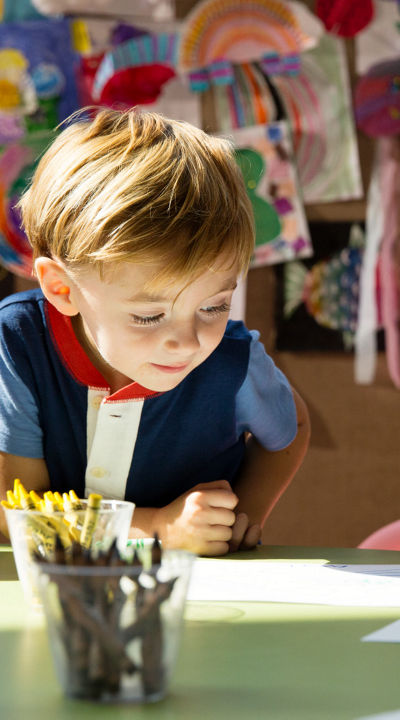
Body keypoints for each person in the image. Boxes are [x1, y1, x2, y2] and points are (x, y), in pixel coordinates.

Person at [0, 107, 310, 556]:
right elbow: (19, 517)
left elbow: (292, 425)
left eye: (213, 305)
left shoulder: (232, 361)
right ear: (61, 288)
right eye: (148, 316)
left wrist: (250, 511)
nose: (187, 341)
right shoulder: (18, 343)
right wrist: (159, 526)